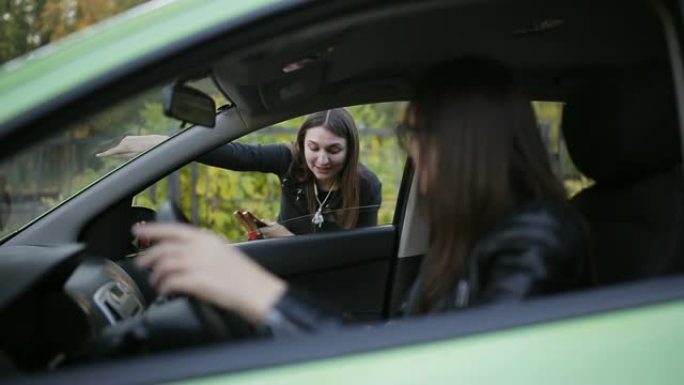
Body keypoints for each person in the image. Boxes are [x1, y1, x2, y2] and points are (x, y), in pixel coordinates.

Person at [133, 56, 589, 332]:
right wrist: (154, 148)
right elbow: (402, 341)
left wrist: (257, 291)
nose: (320, 159)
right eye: (313, 148)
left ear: (461, 146)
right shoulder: (468, 237)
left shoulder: (536, 240)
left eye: (416, 137)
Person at [99, 108, 382, 237]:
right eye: (313, 147)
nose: (321, 160)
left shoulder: (366, 184)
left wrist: (288, 237)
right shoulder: (290, 160)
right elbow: (233, 154)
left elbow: (362, 250)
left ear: (350, 150)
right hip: (288, 263)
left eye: (333, 150)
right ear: (301, 143)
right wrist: (159, 144)